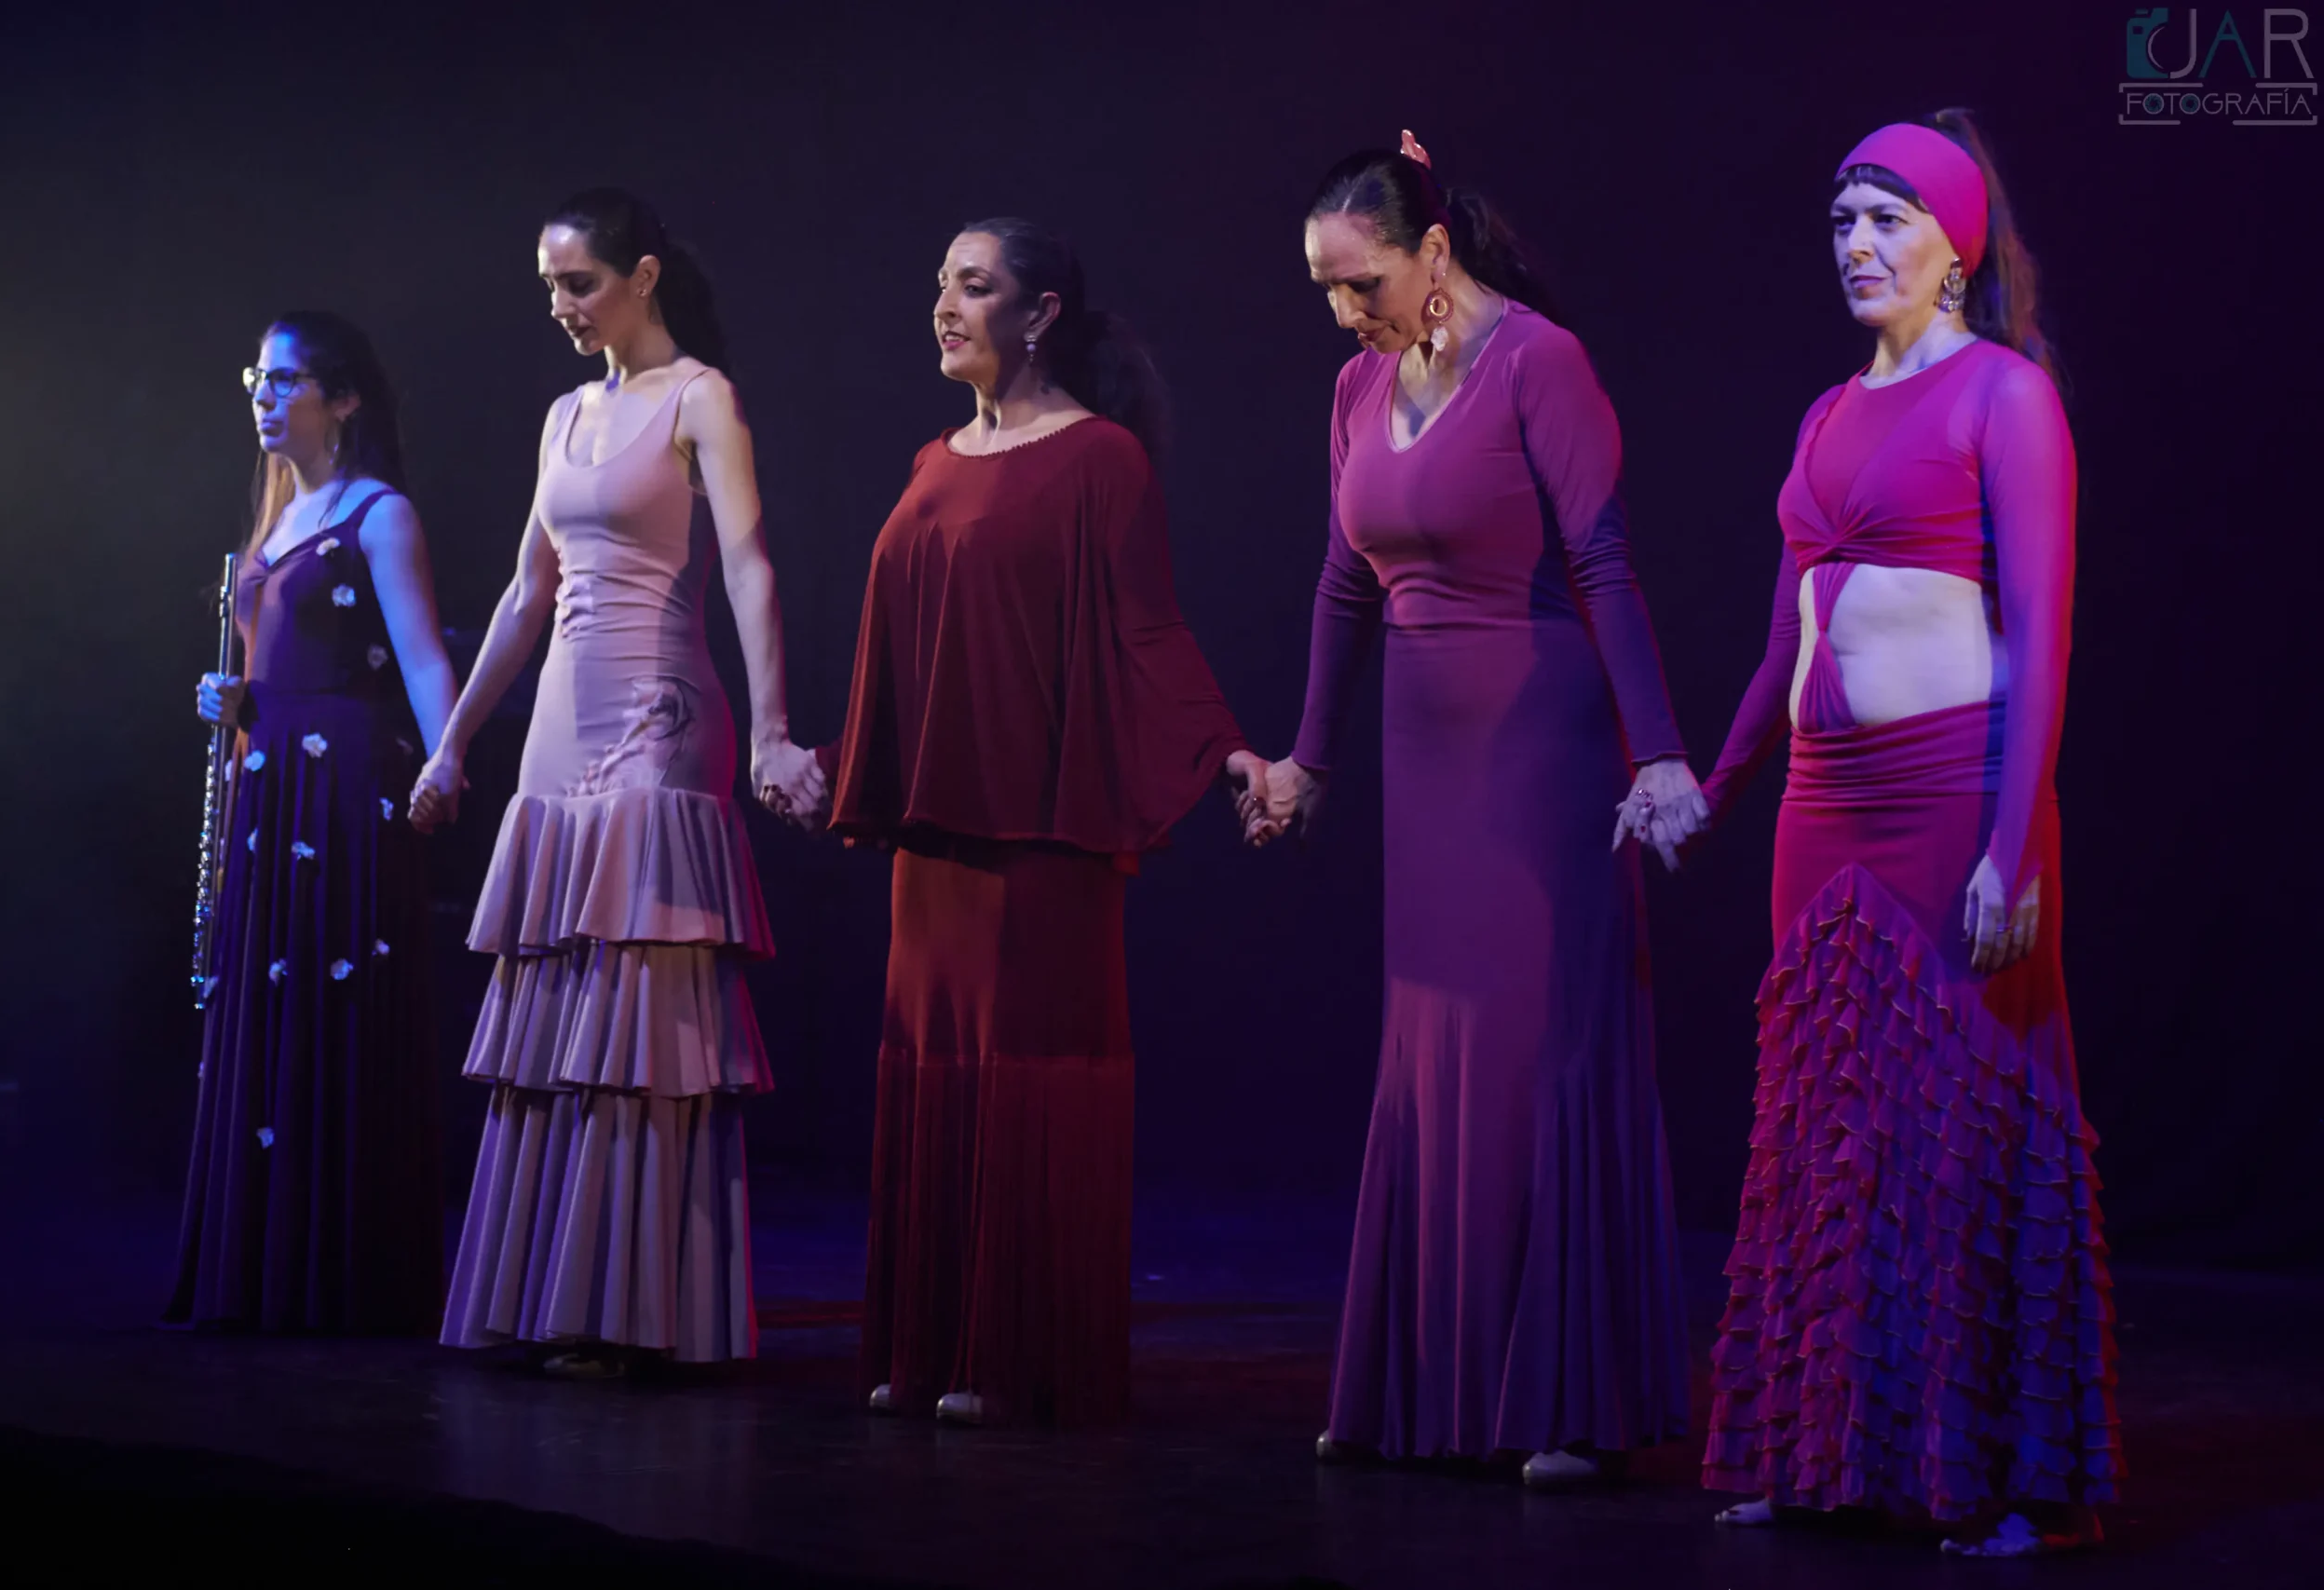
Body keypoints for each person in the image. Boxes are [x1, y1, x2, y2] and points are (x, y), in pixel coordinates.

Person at [1676, 113, 2120, 1556]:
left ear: (1955, 248)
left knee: (1952, 1117)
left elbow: (2042, 639)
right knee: (1827, 1122)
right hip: (1825, 804)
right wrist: (1715, 783)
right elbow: (1779, 639)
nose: (1859, 246)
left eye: (1888, 220)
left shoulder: (2006, 397)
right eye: (1843, 222)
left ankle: (1981, 1471)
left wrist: (2015, 847)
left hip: (1951, 797)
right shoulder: (1823, 413)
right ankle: (1819, 1451)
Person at [1245, 133, 1704, 1487]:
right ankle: (1422, 1383)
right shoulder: (1354, 386)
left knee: (1533, 1044)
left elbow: (1606, 563)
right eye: (1325, 289)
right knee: (1436, 1043)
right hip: (1420, 757)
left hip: (1540, 743)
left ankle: (1558, 1390)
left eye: (1363, 280)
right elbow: (1343, 586)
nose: (1346, 310)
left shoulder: (1538, 363)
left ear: (1433, 249)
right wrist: (1308, 761)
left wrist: (1658, 754)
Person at [812, 218, 1265, 1427]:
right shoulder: (929, 459)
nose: (945, 306)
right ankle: (926, 1341)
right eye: (941, 286)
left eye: (975, 285)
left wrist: (1227, 754)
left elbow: (1146, 629)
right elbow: (910, 648)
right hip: (936, 848)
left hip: (1036, 840)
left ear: (1042, 310)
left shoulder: (1100, 458)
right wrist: (840, 759)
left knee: (1021, 1067)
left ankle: (1010, 1350)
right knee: (935, 1063)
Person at [416, 189, 824, 1375]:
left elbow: (748, 565)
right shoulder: (562, 414)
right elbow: (522, 595)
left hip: (659, 709)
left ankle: (628, 1305)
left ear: (643, 276)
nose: (561, 306)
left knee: (639, 1008)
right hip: (560, 716)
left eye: (580, 283)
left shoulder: (702, 399)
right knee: (556, 1000)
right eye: (549, 286)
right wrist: (452, 741)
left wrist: (770, 730)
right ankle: (542, 1293)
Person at [170, 311, 459, 1333]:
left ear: (342, 400)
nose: (264, 392)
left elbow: (423, 657)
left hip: (340, 799)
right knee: (266, 1010)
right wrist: (231, 696)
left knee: (332, 1013)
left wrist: (449, 755)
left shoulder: (378, 513)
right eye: (258, 375)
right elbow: (267, 661)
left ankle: (338, 1273)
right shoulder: (269, 521)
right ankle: (263, 1270)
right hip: (268, 791)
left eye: (287, 379)